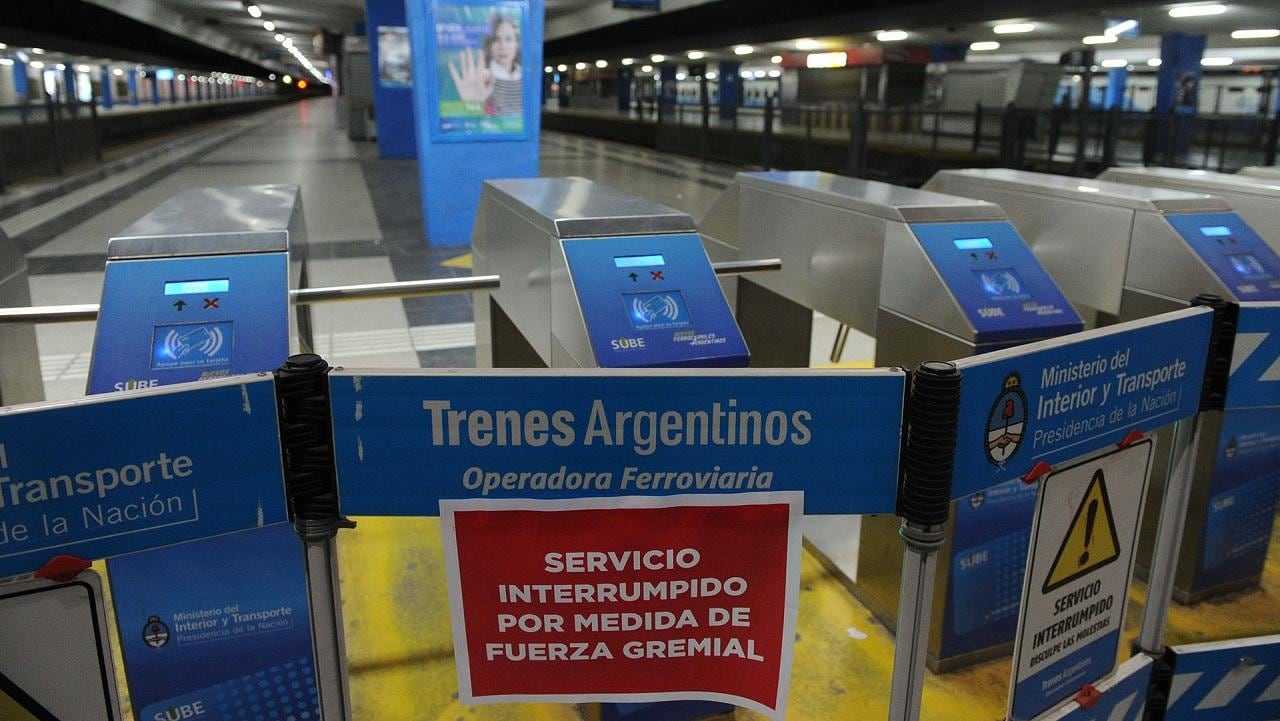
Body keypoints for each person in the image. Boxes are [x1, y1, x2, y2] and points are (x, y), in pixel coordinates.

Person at [446, 12, 522, 116]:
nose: (503, 46)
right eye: (496, 39)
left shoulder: (526, 76)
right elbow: (479, 125)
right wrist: (472, 105)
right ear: (489, 44)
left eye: (508, 39)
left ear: (517, 43)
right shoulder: (480, 81)